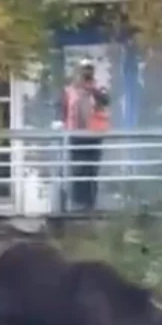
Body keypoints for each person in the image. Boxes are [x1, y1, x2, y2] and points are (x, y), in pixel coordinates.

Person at [58, 57, 111, 210]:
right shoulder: (70, 90)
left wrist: (91, 89)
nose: (87, 73)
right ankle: (77, 203)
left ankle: (90, 204)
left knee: (92, 170)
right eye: (84, 70)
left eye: (89, 69)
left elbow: (106, 100)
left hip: (94, 134)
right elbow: (63, 109)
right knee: (78, 169)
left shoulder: (98, 88)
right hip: (76, 134)